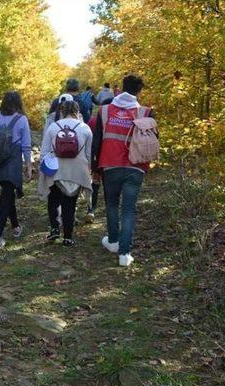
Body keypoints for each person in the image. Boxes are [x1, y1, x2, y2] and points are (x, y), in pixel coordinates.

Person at [92, 74, 154, 267]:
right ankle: (124, 255)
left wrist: (94, 168)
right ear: (139, 91)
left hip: (110, 165)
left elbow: (96, 143)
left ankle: (112, 242)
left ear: (121, 88)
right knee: (129, 209)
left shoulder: (104, 111)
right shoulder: (146, 113)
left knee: (111, 204)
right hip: (136, 167)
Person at [38, 101, 93, 246]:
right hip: (76, 171)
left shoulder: (53, 127)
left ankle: (55, 229)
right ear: (78, 111)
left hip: (55, 170)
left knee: (53, 201)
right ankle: (68, 237)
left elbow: (44, 152)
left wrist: (43, 170)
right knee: (70, 204)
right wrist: (89, 171)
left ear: (61, 111)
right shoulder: (85, 128)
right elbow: (88, 154)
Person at [0, 91, 32, 250]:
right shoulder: (22, 119)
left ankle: (16, 227)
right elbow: (26, 145)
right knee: (6, 195)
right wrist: (29, 165)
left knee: (7, 192)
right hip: (13, 161)